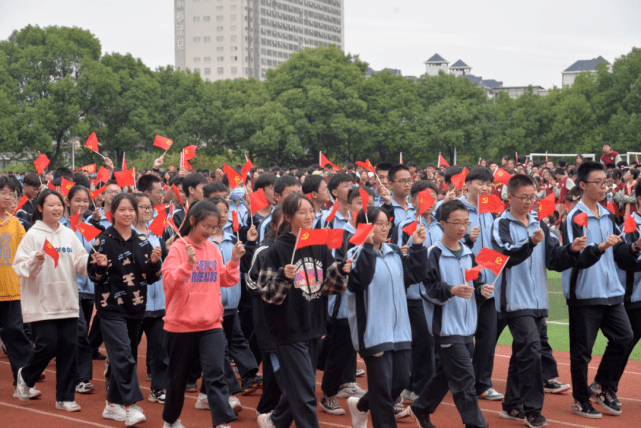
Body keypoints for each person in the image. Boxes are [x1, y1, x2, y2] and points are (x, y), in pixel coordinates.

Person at [491, 174, 587, 427]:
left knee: (524, 351)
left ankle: (511, 405)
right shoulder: (500, 224)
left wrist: (571, 250)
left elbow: (554, 259)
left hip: (538, 301)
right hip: (513, 300)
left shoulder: (540, 224)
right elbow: (505, 257)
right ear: (509, 196)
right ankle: (533, 409)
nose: (529, 202)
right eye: (524, 198)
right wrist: (529, 242)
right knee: (532, 349)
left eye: (533, 197)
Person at [256, 193, 352, 428]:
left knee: (300, 385)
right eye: (302, 212)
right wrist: (282, 277)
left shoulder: (317, 243)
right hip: (288, 328)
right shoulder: (277, 250)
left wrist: (341, 271)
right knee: (306, 388)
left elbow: (329, 288)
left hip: (314, 324)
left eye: (310, 211)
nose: (309, 215)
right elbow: (267, 294)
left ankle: (276, 421)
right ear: (288, 217)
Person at [409, 200, 493, 428]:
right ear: (442, 223)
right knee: (465, 381)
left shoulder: (467, 252)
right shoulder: (432, 254)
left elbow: (472, 284)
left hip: (467, 327)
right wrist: (451, 290)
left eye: (466, 222)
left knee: (445, 375)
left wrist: (480, 291)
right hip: (446, 328)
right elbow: (426, 290)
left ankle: (420, 408)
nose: (462, 227)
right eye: (456, 222)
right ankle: (476, 425)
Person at [161, 200, 245, 428]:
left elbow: (225, 279)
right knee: (177, 380)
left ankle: (221, 422)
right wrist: (188, 264)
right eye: (205, 226)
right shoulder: (178, 248)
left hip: (211, 324)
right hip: (181, 326)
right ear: (192, 221)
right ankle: (170, 420)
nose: (209, 232)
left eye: (214, 227)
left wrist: (235, 260)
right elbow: (169, 282)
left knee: (216, 374)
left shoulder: (212, 249)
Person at [561, 161, 634, 418]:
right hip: (585, 293)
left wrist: (634, 248)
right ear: (582, 185)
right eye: (599, 183)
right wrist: (600, 247)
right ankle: (581, 399)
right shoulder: (574, 218)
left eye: (607, 182)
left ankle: (601, 385)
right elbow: (576, 257)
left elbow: (620, 253)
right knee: (582, 352)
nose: (605, 187)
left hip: (612, 292)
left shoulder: (608, 215)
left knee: (625, 337)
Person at [344, 206, 428, 428]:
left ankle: (361, 405)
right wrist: (369, 246)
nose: (384, 228)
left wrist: (418, 247)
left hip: (399, 328)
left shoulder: (394, 252)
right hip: (374, 331)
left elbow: (415, 275)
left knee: (401, 379)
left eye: (386, 223)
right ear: (366, 227)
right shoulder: (355, 253)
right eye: (378, 223)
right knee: (381, 389)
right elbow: (361, 279)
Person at [88, 193, 162, 426]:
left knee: (127, 356)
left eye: (131, 209)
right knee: (122, 357)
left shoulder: (142, 241)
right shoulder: (102, 241)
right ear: (113, 213)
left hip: (136, 307)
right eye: (122, 210)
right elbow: (95, 278)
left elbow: (151, 278)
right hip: (110, 309)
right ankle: (130, 404)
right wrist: (99, 268)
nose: (127, 214)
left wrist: (154, 262)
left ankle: (112, 404)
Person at [13, 189, 90, 411]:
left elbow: (79, 262)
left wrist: (93, 262)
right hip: (41, 302)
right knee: (48, 345)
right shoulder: (33, 235)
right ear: (40, 208)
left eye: (59, 205)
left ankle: (65, 398)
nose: (57, 209)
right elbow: (20, 267)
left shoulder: (68, 234)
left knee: (69, 348)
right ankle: (26, 375)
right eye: (51, 205)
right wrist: (35, 261)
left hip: (67, 301)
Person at [393, 181, 442, 402]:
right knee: (422, 341)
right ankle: (419, 389)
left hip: (436, 293)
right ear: (413, 201)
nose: (429, 203)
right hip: (414, 293)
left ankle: (415, 386)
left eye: (433, 197)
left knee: (430, 341)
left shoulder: (440, 226)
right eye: (424, 198)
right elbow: (398, 255)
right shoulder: (405, 225)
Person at [132, 192, 171, 405]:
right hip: (136, 301)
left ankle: (157, 388)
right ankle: (116, 382)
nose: (148, 211)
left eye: (150, 207)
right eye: (143, 207)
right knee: (129, 347)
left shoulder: (156, 235)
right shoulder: (126, 236)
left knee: (159, 348)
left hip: (159, 302)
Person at [60, 185, 96, 395]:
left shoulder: (90, 227)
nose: (81, 204)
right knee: (80, 331)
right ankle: (82, 378)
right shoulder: (61, 227)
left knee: (80, 332)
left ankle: (73, 372)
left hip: (89, 287)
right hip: (69, 287)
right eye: (77, 200)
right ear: (68, 201)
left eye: (85, 201)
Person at [0, 177, 34, 392]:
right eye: (3, 192)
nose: (8, 197)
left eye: (11, 193)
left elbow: (25, 254)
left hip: (12, 290)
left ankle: (23, 381)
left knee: (16, 333)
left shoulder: (15, 223)